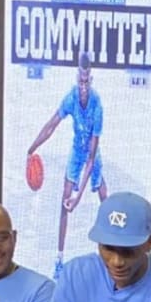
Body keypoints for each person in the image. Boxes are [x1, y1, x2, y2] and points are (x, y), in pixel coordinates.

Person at [27, 52, 108, 280]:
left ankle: (111, 249)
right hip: (76, 150)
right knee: (64, 203)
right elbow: (51, 125)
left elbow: (91, 159)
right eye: (80, 81)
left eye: (86, 82)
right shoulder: (71, 97)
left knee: (104, 200)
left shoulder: (97, 106)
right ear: (77, 78)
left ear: (90, 80)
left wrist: (79, 197)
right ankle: (59, 260)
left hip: (91, 153)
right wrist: (32, 148)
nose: (82, 86)